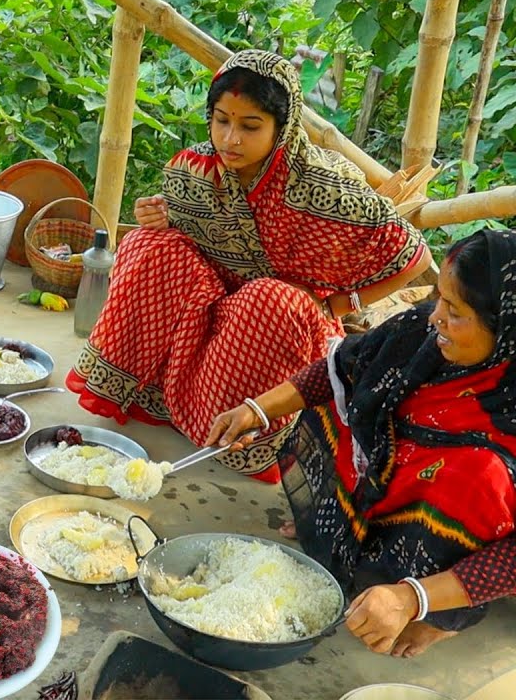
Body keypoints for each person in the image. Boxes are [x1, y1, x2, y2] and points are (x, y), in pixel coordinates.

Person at [67, 50, 429, 483]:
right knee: (149, 245)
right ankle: (157, 397)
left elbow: (414, 255)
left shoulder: (325, 187)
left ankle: (238, 431)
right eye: (221, 120)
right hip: (215, 300)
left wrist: (338, 304)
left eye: (249, 126)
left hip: (280, 321)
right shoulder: (196, 169)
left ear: (283, 126)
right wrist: (159, 218)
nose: (230, 139)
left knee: (268, 299)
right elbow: (192, 226)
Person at [207, 229, 516, 658]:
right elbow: (343, 366)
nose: (434, 318)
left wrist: (413, 598)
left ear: (504, 328)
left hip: (453, 494)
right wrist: (255, 411)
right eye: (439, 299)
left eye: (455, 310)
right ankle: (342, 529)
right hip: (401, 465)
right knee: (347, 402)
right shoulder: (420, 332)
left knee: (477, 477)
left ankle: (439, 616)